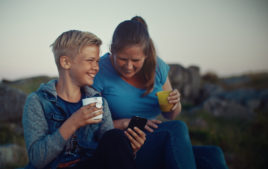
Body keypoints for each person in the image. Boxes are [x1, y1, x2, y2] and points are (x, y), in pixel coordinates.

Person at [92, 16, 229, 169]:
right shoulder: (99, 71)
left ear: (146, 55)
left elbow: (170, 115)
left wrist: (174, 103)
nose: (129, 66)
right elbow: (91, 126)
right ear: (112, 50)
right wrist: (125, 122)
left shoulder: (157, 68)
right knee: (175, 129)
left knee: (212, 154)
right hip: (122, 143)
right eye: (123, 59)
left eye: (136, 60)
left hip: (151, 137)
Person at [22, 30, 146, 169]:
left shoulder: (99, 102)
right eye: (90, 60)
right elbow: (37, 160)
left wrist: (130, 149)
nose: (96, 67)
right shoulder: (38, 101)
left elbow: (110, 149)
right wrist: (73, 123)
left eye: (97, 61)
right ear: (66, 62)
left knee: (115, 137)